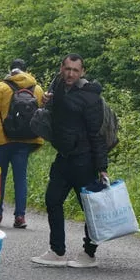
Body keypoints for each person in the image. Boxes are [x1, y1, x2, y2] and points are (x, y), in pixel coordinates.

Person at [31, 53, 109, 268]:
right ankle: (57, 251)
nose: (71, 74)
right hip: (64, 157)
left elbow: (97, 134)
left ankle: (89, 253)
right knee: (52, 199)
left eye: (75, 70)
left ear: (82, 72)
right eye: (67, 69)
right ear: (61, 69)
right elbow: (52, 113)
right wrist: (47, 100)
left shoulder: (91, 97)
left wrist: (102, 168)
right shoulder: (57, 86)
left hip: (84, 160)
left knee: (89, 209)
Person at [0, 58, 44, 229]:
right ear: (26, 70)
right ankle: (20, 216)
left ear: (10, 70)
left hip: (2, 140)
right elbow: (41, 116)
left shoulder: (1, 88)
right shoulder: (37, 89)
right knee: (20, 177)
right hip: (25, 140)